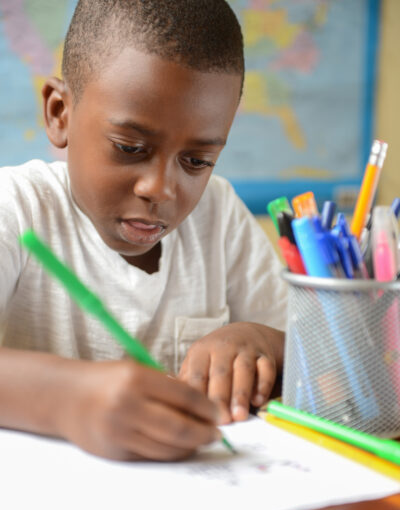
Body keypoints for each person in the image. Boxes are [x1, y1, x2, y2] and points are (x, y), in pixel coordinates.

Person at [0, 0, 287, 461]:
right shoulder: (16, 208)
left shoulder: (221, 217)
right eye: (130, 147)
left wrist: (266, 343)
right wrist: (66, 399)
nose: (161, 189)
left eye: (197, 162)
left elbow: (325, 370)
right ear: (60, 113)